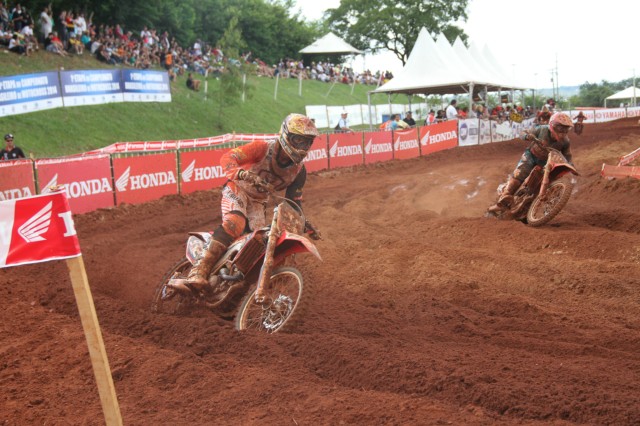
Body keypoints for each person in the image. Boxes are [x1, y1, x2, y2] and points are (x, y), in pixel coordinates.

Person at [174, 114, 321, 291]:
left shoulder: (299, 171)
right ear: (286, 134)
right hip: (238, 189)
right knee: (235, 223)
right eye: (298, 140)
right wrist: (242, 173)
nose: (302, 146)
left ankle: (229, 279)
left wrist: (304, 222)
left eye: (307, 142)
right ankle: (198, 270)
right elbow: (228, 158)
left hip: (258, 203)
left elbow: (294, 203)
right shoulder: (263, 148)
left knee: (259, 242)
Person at [488, 112, 574, 213]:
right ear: (553, 125)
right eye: (560, 128)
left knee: (549, 180)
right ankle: (503, 199)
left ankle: (532, 206)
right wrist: (527, 136)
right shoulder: (541, 129)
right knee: (519, 175)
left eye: (565, 129)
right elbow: (523, 133)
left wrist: (570, 165)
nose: (562, 131)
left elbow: (567, 155)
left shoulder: (565, 141)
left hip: (546, 163)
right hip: (531, 156)